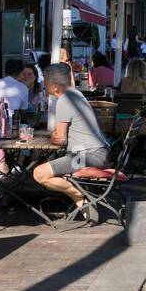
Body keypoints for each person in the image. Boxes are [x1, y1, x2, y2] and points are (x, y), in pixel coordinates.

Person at [33, 62, 111, 223]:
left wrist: (54, 136)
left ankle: (81, 197)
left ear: (55, 87)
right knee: (49, 169)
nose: (43, 84)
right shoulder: (76, 94)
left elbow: (60, 139)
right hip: (97, 152)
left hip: (86, 155)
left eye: (45, 81)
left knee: (39, 173)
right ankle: (84, 204)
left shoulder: (64, 101)